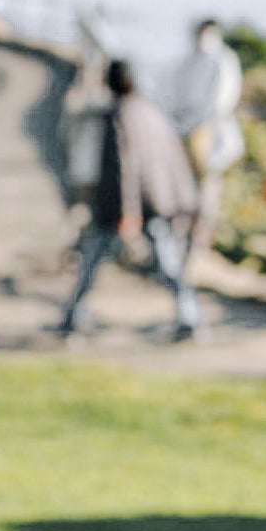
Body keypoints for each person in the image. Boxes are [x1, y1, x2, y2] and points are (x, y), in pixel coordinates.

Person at [57, 58, 200, 341]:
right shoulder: (152, 111)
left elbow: (124, 165)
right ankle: (189, 316)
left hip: (121, 206)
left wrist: (129, 212)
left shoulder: (118, 114)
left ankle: (73, 317)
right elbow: (173, 157)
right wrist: (183, 199)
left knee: (92, 260)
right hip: (158, 200)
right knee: (168, 262)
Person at [170, 18, 244, 253]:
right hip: (188, 128)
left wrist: (205, 123)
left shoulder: (223, 59)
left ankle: (200, 237)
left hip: (209, 129)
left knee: (207, 187)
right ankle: (183, 236)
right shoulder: (189, 61)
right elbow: (179, 94)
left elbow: (223, 99)